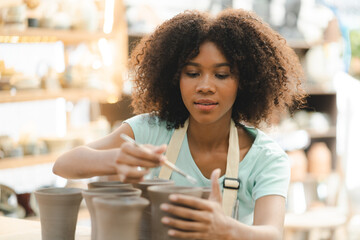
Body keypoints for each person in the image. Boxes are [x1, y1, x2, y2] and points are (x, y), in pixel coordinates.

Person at [53, 8, 306, 240]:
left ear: (245, 82)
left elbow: (272, 234)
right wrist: (114, 159)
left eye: (221, 75)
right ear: (175, 78)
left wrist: (226, 228)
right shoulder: (149, 131)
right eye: (192, 73)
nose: (205, 86)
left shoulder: (266, 158)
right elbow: (63, 165)